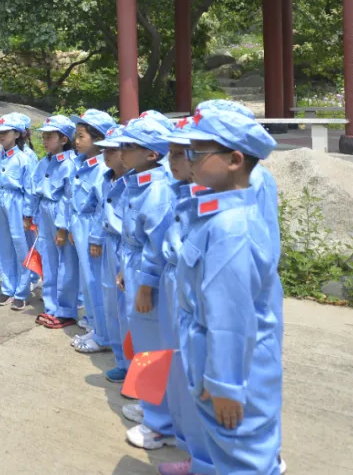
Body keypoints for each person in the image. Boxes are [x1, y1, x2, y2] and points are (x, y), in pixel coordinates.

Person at [176, 107, 283, 475]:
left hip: (233, 367)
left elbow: (230, 319)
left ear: (235, 160)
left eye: (197, 153)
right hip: (216, 359)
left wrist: (225, 385)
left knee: (243, 460)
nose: (188, 161)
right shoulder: (216, 216)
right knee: (227, 454)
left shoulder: (231, 229)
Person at [111, 115, 177, 450]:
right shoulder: (141, 180)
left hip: (148, 272)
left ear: (151, 153)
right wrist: (126, 267)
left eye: (129, 146)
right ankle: (155, 406)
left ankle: (161, 424)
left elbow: (158, 243)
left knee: (154, 345)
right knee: (143, 340)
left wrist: (147, 284)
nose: (121, 152)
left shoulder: (159, 187)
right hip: (135, 265)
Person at [154, 117, 214, 475]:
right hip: (184, 294)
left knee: (212, 386)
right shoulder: (183, 192)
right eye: (170, 153)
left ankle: (212, 462)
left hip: (206, 305)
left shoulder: (226, 207)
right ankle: (198, 457)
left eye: (179, 154)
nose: (170, 161)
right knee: (186, 372)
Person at [65, 108, 116, 354]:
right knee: (88, 279)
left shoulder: (100, 169)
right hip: (79, 223)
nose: (77, 140)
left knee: (95, 280)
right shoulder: (81, 162)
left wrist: (95, 236)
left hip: (92, 227)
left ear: (98, 139)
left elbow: (102, 208)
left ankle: (103, 334)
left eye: (82, 135)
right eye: (77, 135)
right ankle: (96, 324)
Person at [0, 113, 36, 311]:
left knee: (20, 246)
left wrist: (27, 214)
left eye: (6, 132)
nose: (2, 136)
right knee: (3, 245)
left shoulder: (24, 158)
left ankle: (22, 291)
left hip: (17, 202)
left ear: (16, 134)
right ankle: (7, 287)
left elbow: (30, 188)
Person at [93, 124, 133, 383]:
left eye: (113, 149)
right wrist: (96, 237)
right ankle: (122, 361)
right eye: (104, 149)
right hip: (109, 241)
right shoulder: (107, 178)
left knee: (130, 309)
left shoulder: (135, 182)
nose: (106, 154)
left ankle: (135, 367)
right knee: (112, 303)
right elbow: (98, 210)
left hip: (127, 245)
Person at [29, 115, 77, 328]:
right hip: (45, 211)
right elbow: (35, 191)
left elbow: (68, 197)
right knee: (48, 260)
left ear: (64, 139)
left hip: (59, 212)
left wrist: (62, 227)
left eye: (50, 136)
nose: (45, 140)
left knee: (65, 263)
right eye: (44, 136)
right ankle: (51, 306)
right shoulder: (43, 162)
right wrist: (31, 215)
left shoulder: (70, 164)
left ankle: (66, 310)